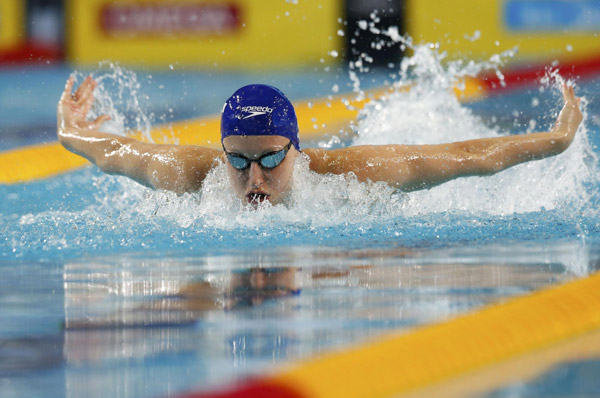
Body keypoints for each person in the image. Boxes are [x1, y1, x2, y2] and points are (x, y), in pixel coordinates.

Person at [57, 75, 583, 206]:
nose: (253, 179)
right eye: (238, 161)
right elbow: (111, 152)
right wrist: (70, 129)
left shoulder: (351, 177)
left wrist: (555, 141)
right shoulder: (193, 175)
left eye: (269, 159)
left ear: (296, 152)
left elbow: (464, 155)